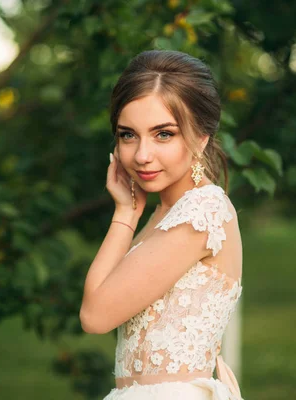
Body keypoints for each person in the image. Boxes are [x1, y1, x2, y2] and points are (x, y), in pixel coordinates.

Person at [80, 50, 244, 400]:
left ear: (200, 138)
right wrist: (128, 210)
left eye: (163, 134)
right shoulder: (162, 215)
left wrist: (123, 216)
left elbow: (94, 315)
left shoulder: (202, 211)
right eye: (128, 135)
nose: (141, 155)